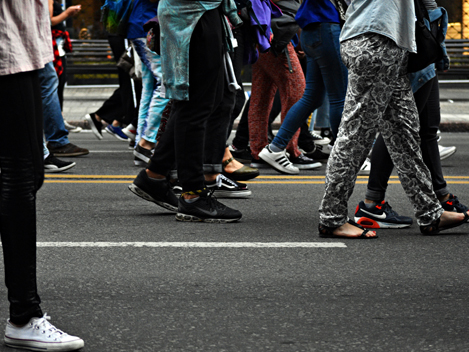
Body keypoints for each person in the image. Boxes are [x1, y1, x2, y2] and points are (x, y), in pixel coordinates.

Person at [318, 0, 469, 239]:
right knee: (355, 137)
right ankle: (332, 218)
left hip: (386, 43)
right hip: (376, 42)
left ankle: (430, 212)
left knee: (405, 134)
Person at [0, 2, 84, 350]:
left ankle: (23, 314)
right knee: (20, 177)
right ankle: (23, 315)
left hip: (25, 50)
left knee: (30, 174)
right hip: (8, 53)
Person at [129, 0, 244, 222]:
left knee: (206, 100)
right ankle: (192, 194)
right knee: (196, 105)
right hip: (192, 15)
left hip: (200, 12)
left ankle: (155, 175)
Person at [258, 0, 347, 174]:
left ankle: (275, 148)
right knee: (339, 97)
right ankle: (346, 156)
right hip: (327, 26)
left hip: (311, 29)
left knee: (312, 97)